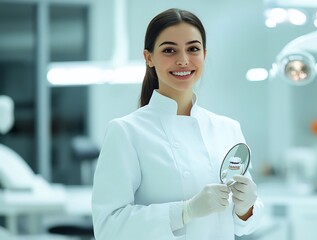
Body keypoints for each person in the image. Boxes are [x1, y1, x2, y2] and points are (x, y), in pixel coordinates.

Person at [91, 8, 263, 240]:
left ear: (204, 54)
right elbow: (108, 228)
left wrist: (246, 209)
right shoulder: (126, 131)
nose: (183, 60)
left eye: (193, 49)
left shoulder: (228, 129)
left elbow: (244, 226)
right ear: (148, 57)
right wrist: (185, 211)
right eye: (169, 50)